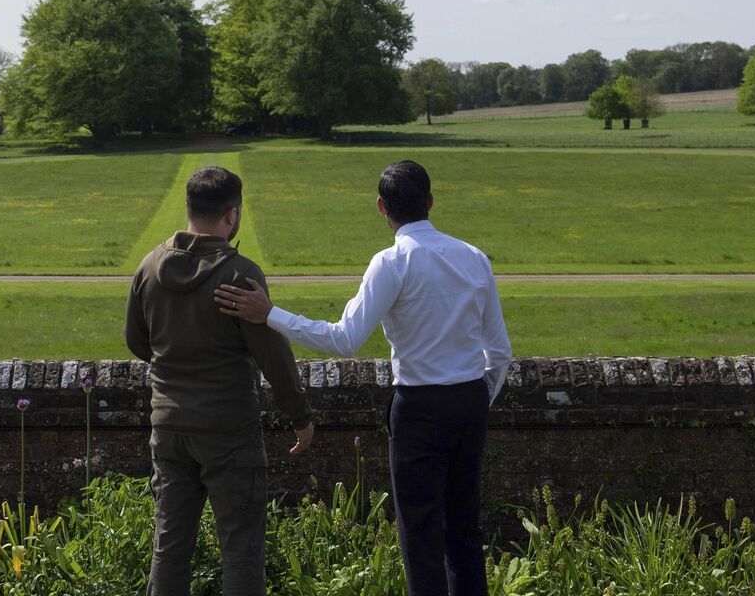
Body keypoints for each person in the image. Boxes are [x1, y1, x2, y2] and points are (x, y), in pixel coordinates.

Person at [216, 159, 510, 596]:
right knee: (465, 526)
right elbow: (499, 351)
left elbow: (345, 338)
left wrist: (271, 314)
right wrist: (477, 397)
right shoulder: (473, 257)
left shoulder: (392, 263)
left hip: (419, 408)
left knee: (420, 532)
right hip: (469, 400)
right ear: (430, 201)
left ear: (381, 208)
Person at [127, 166, 316, 596]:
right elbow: (273, 355)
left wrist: (176, 364)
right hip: (230, 430)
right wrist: (300, 417)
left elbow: (138, 342)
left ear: (189, 207)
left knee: (170, 546)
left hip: (169, 427)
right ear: (232, 215)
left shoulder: (150, 267)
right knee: (241, 547)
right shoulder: (239, 276)